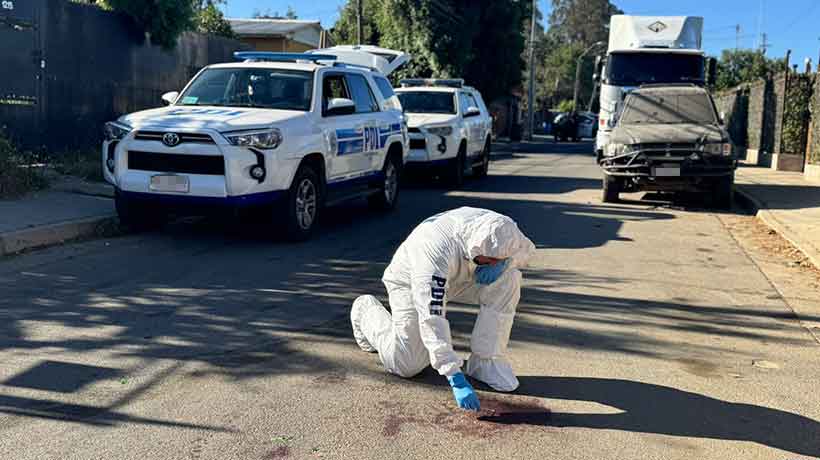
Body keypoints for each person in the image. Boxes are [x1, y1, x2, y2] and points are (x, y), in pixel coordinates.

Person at [350, 207, 536, 411]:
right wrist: (454, 375)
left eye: (499, 259)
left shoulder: (502, 230)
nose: (495, 262)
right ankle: (365, 311)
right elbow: (432, 316)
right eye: (491, 259)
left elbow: (524, 252)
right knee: (408, 364)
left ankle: (485, 361)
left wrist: (504, 265)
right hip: (410, 283)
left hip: (461, 275)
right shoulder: (434, 252)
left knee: (509, 279)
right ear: (476, 248)